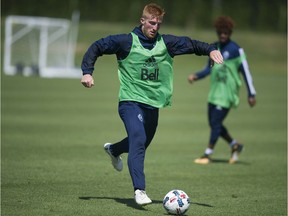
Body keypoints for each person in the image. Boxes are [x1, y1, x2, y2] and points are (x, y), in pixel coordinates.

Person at [81, 3, 223, 205]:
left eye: (158, 23)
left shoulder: (166, 43)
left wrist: (210, 49)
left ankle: (113, 150)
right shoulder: (125, 41)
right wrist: (87, 71)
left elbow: (191, 44)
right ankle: (139, 190)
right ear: (142, 21)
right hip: (130, 102)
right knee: (138, 139)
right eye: (151, 23)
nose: (155, 27)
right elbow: (97, 46)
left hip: (152, 105)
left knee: (140, 143)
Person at [188, 16, 256, 165]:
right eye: (220, 33)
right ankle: (235, 146)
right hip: (214, 93)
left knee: (216, 122)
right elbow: (208, 69)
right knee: (214, 124)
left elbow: (246, 71)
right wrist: (196, 76)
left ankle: (207, 154)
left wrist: (251, 93)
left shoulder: (236, 50)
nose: (223, 35)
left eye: (226, 33)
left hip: (227, 94)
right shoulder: (214, 48)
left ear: (230, 33)